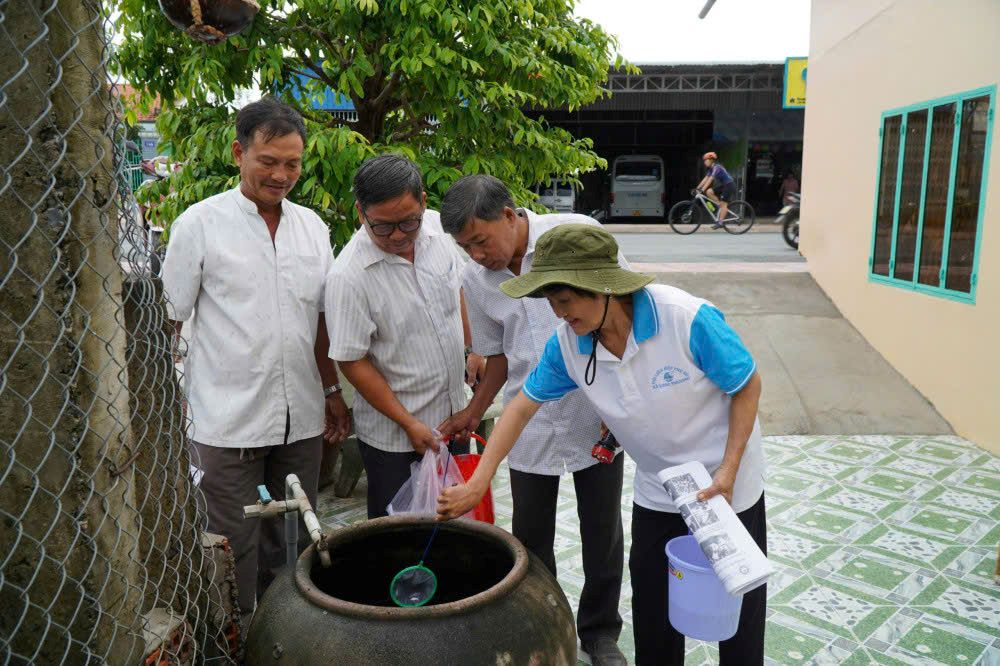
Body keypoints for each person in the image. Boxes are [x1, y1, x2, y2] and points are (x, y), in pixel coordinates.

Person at [437, 224, 767, 666]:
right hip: (660, 486)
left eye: (565, 301)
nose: (559, 314)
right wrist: (479, 481)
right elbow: (520, 408)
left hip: (725, 482)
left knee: (736, 603)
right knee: (653, 604)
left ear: (603, 286)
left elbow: (746, 384)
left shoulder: (685, 318)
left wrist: (728, 470)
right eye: (551, 302)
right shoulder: (568, 345)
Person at [162, 97, 351, 621]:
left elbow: (320, 320)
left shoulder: (312, 227)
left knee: (293, 539)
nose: (281, 175)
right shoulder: (200, 224)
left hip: (302, 417)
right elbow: (168, 320)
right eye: (268, 161)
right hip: (226, 421)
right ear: (238, 153)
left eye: (292, 163)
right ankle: (236, 638)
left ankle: (287, 630)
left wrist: (332, 391)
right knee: (233, 544)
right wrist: (166, 406)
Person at [437, 175, 627, 666]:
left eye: (481, 241)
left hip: (595, 409)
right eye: (465, 247)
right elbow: (497, 357)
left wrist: (622, 407)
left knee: (601, 529)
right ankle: (544, 627)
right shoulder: (476, 279)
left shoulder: (576, 235)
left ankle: (600, 633)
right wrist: (473, 412)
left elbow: (622, 317)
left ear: (508, 214)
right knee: (531, 536)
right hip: (528, 418)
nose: (477, 255)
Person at [325, 155, 473, 519]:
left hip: (454, 419)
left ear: (423, 201)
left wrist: (475, 350)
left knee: (457, 529)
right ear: (361, 213)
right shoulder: (349, 276)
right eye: (382, 226)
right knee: (399, 534)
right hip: (396, 438)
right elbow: (351, 360)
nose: (397, 236)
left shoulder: (438, 232)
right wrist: (408, 423)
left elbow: (458, 290)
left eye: (408, 222)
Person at [696, 151, 737, 227]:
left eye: (705, 160)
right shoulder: (711, 169)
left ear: (711, 160)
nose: (704, 162)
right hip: (724, 185)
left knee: (723, 204)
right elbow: (705, 178)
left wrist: (702, 189)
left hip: (729, 186)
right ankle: (720, 207)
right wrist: (697, 188)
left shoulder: (717, 167)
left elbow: (710, 179)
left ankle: (720, 222)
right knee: (709, 191)